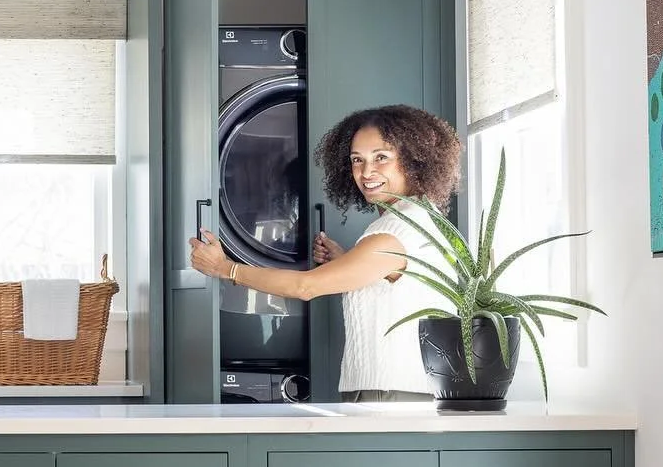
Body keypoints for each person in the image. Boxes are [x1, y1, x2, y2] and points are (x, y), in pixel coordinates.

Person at [188, 104, 463, 401]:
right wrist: (347, 261)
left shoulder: (394, 233)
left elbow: (305, 286)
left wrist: (225, 268)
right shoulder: (420, 219)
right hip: (401, 390)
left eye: (381, 158)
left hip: (390, 395)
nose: (366, 172)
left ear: (413, 160)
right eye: (357, 160)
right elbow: (395, 285)